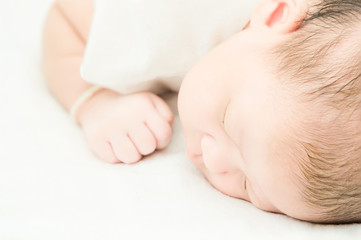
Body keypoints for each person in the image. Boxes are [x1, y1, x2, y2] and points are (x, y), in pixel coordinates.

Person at [42, 0, 361, 223]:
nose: (212, 159)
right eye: (227, 118)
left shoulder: (267, 64)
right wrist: (96, 103)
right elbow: (66, 16)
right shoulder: (162, 18)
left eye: (250, 187)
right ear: (275, 16)